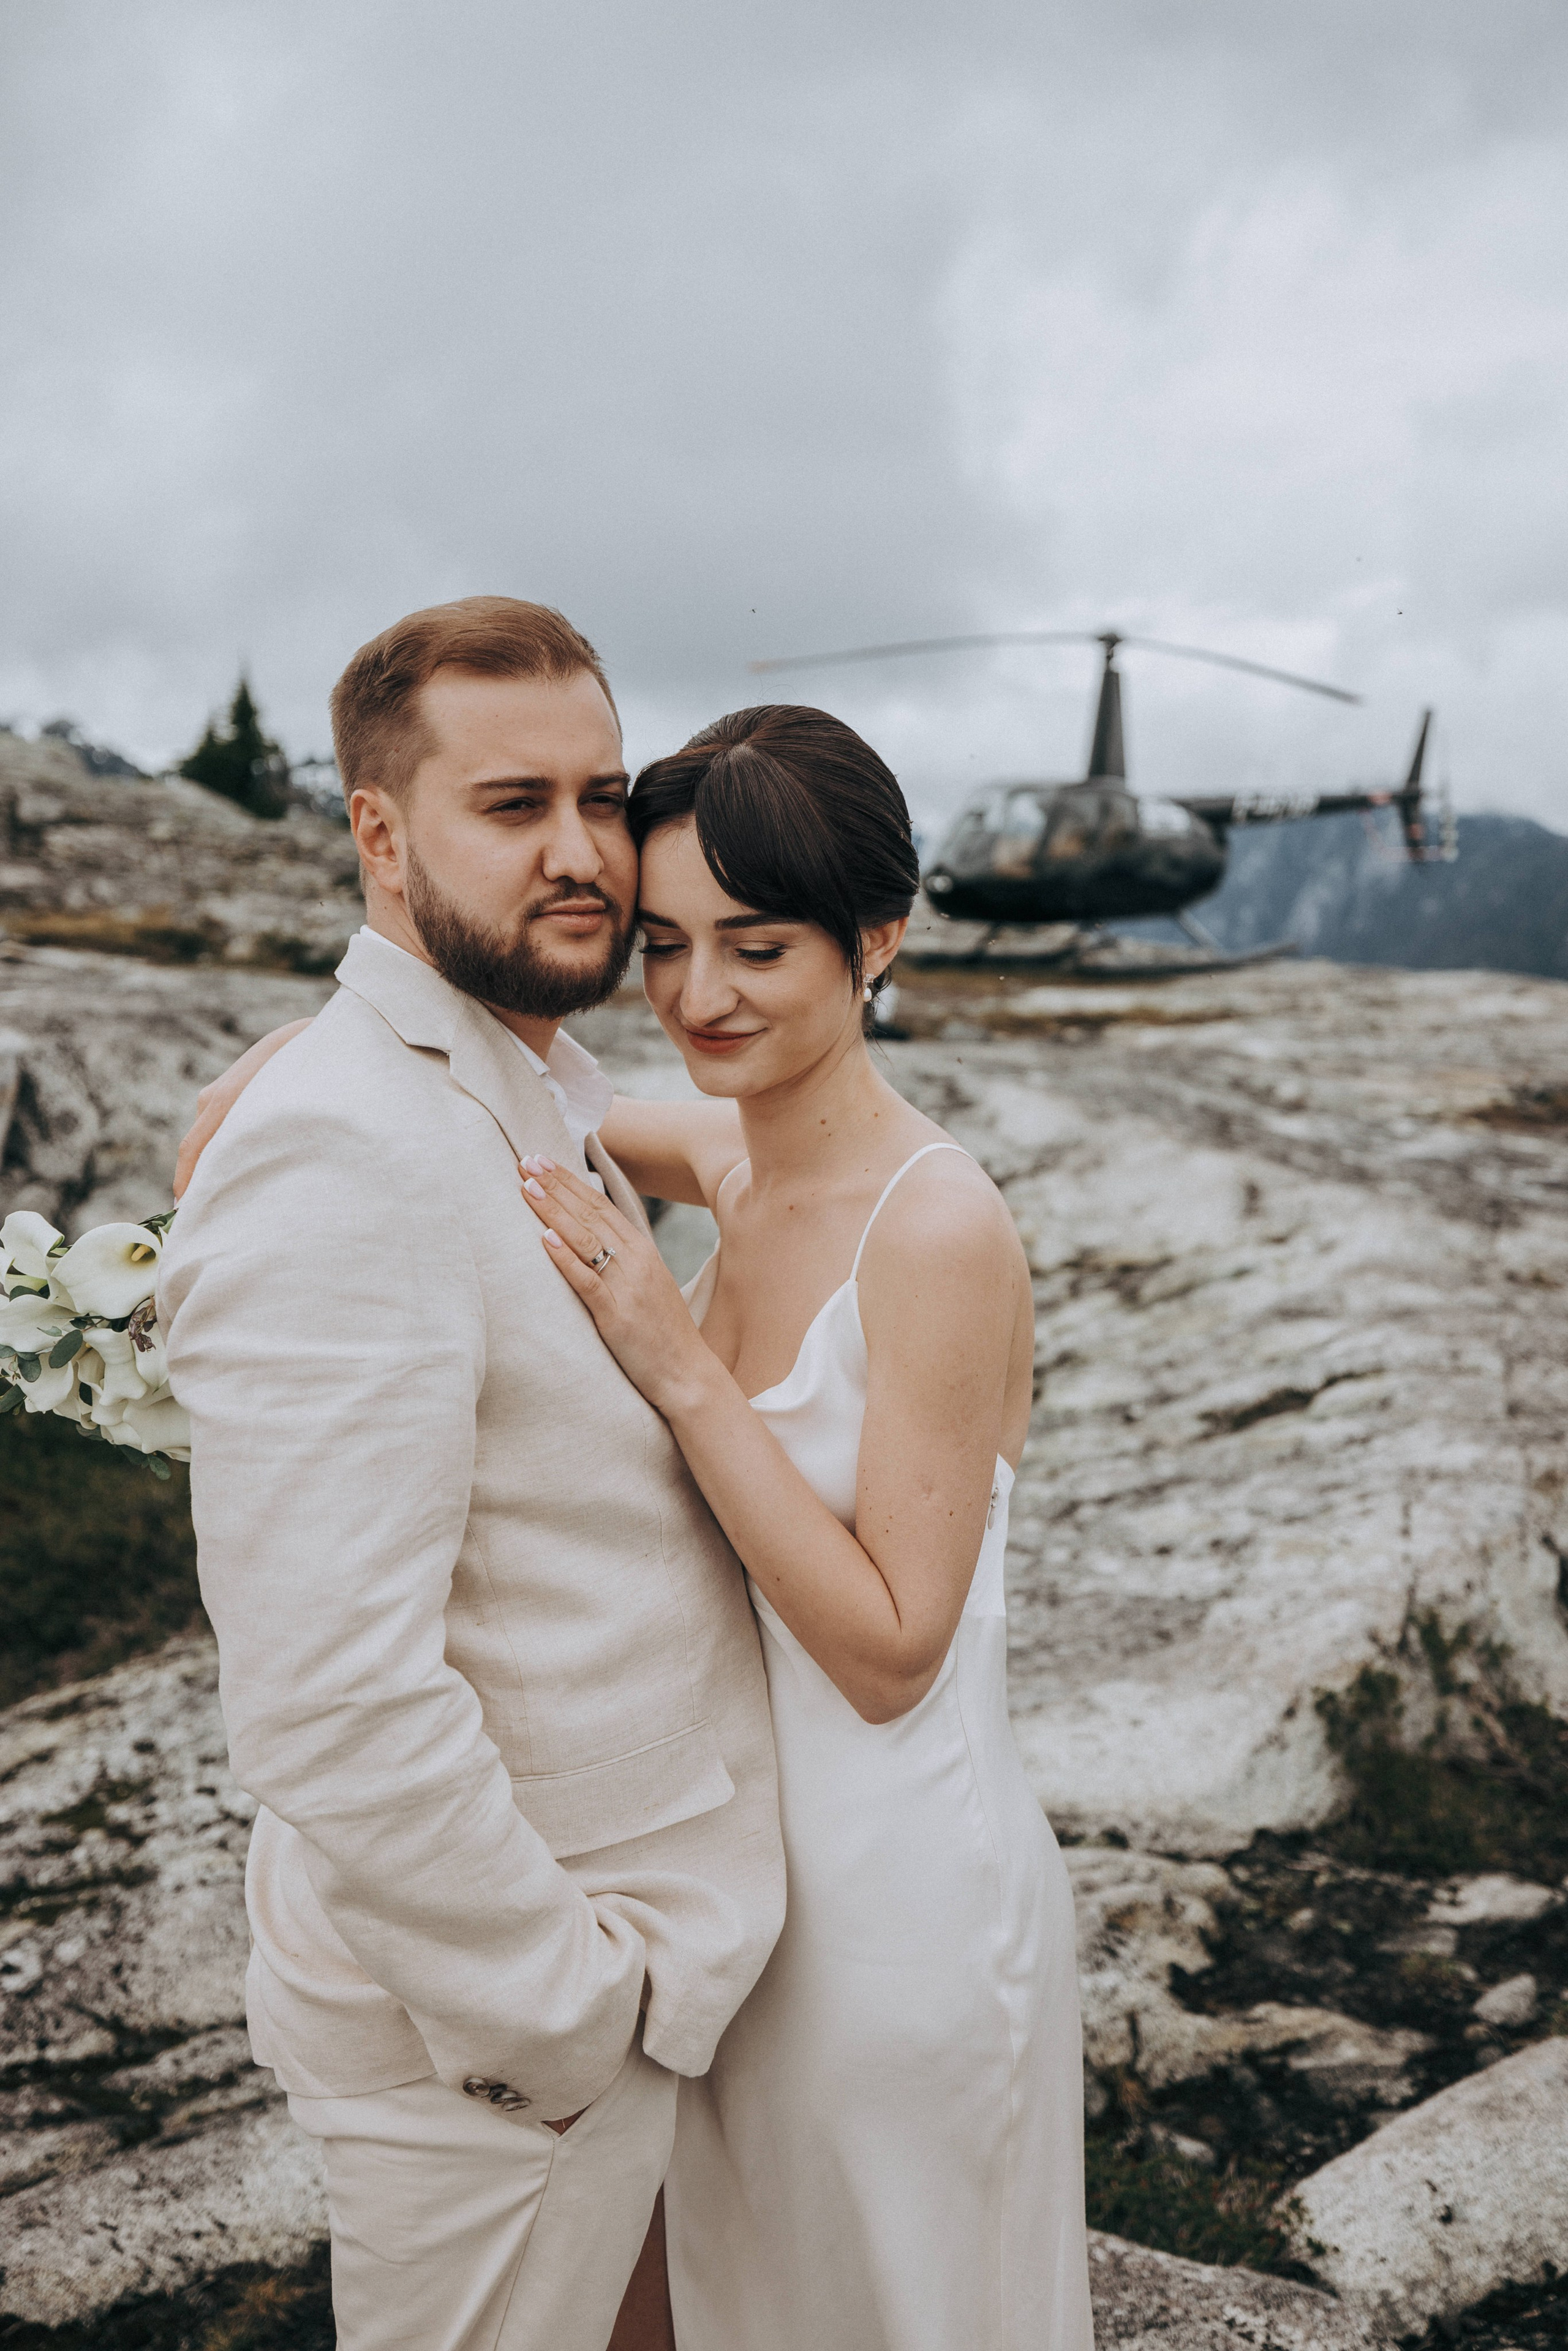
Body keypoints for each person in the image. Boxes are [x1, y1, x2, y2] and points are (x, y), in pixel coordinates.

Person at [185, 687, 1094, 2351]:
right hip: (732, 1891)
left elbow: (895, 1652)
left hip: (893, 1893)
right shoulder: (735, 1162)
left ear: (876, 940)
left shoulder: (938, 1225)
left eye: (759, 949)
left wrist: (680, 1371)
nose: (699, 999)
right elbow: (522, 1104)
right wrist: (297, 1064)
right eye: (666, 945)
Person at [159, 597, 785, 2351]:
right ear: (379, 831)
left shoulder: (512, 1081)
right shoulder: (341, 1150)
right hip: (503, 2055)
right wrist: (565, 2028)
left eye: (605, 797)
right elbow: (331, 1701)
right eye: (515, 807)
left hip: (643, 1985)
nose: (586, 853)